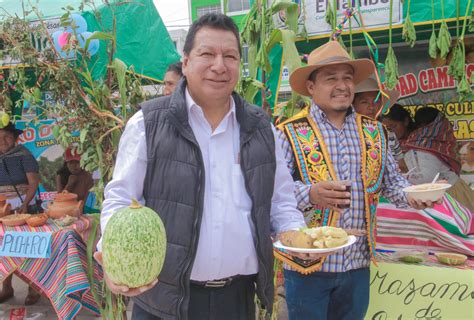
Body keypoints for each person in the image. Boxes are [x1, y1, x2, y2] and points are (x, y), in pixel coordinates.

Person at [96, 13, 307, 320]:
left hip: (237, 301)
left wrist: (299, 237)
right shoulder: (148, 124)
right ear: (186, 63)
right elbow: (120, 198)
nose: (219, 66)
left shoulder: (262, 129)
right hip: (162, 301)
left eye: (230, 56)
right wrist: (114, 259)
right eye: (207, 54)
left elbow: (282, 203)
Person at [276, 41, 437, 320]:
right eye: (331, 78)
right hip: (308, 266)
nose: (342, 85)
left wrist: (413, 196)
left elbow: (392, 182)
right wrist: (310, 194)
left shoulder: (375, 132)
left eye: (347, 78)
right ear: (311, 87)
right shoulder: (289, 133)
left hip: (357, 264)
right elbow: (272, 192)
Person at [0, 122, 41, 305]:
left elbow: (33, 182)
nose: (2, 141)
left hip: (25, 206)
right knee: (4, 248)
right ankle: (7, 287)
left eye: (7, 136)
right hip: (3, 207)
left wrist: (24, 205)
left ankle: (34, 288)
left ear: (15, 138)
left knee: (27, 247)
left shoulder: (24, 155)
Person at [402, 107, 474, 211]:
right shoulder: (438, 142)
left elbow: (424, 179)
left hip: (445, 196)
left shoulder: (416, 144)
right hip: (452, 192)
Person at [353, 76, 406, 171]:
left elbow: (403, 166)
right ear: (353, 105)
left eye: (376, 101)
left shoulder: (389, 135)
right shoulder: (349, 136)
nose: (371, 107)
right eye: (364, 102)